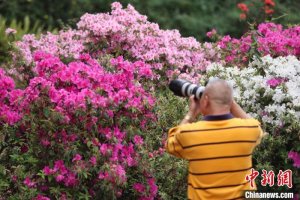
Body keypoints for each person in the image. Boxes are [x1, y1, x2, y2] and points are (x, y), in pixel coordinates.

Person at [166, 79, 264, 200]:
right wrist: (229, 102)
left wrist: (190, 114)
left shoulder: (188, 133)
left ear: (205, 101)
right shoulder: (250, 129)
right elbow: (255, 125)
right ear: (230, 102)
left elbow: (171, 143)